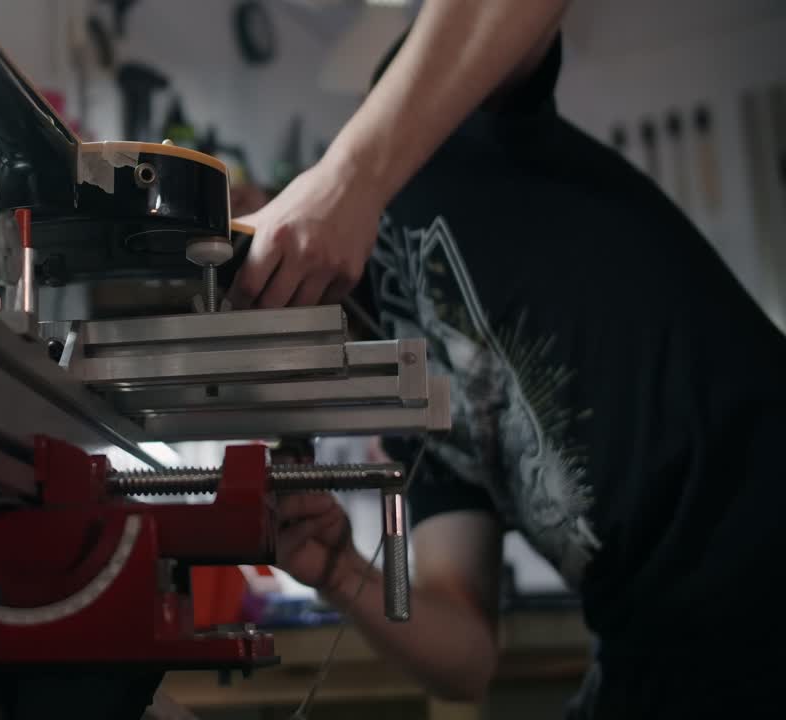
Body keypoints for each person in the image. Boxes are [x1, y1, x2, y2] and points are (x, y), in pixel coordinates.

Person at [232, 1, 786, 718]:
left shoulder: (412, 138)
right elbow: (466, 657)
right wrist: (338, 569)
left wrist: (354, 176)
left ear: (251, 204)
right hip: (663, 646)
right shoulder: (409, 419)